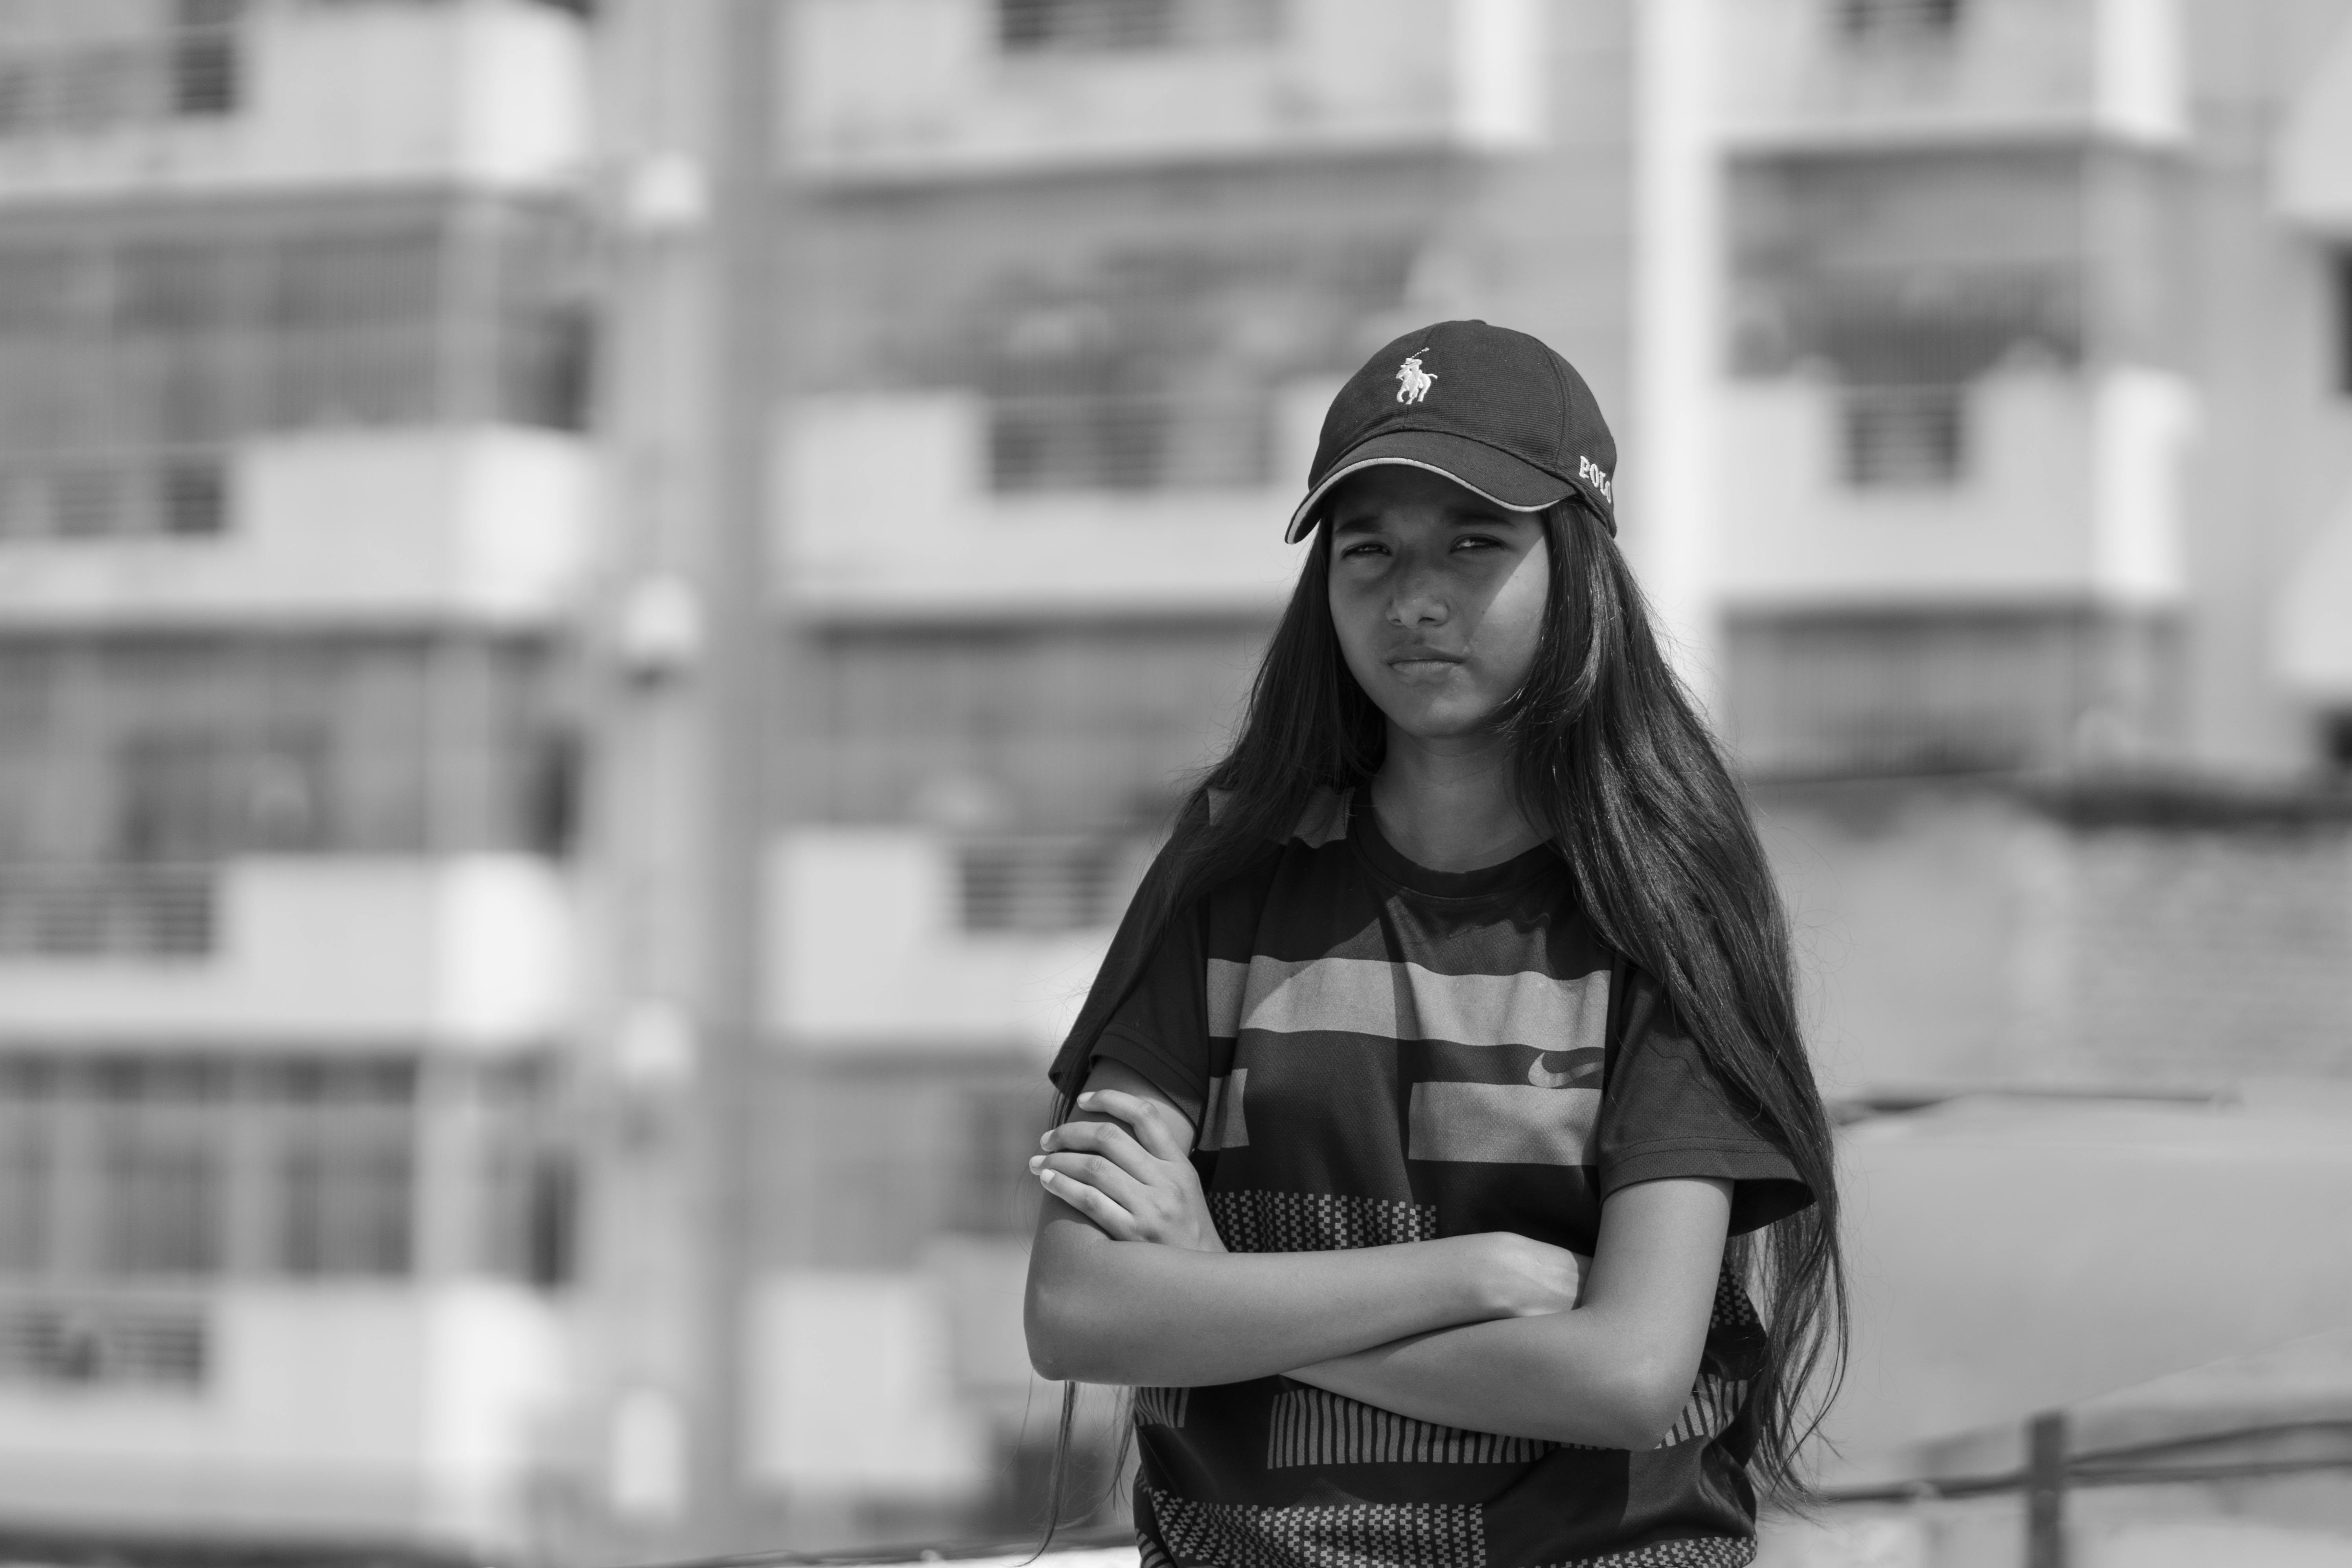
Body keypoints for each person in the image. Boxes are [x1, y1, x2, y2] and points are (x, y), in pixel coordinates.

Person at [1023, 320, 1846, 1568]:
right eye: (1371, 551)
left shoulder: (1666, 899)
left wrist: (1219, 1290)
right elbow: (1079, 1306)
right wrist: (1470, 1273)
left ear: (1577, 564)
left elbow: (1625, 1370)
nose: (1417, 597)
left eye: (1475, 543)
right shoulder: (1232, 868)